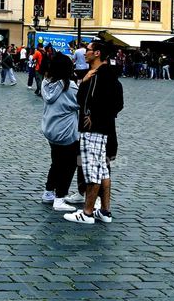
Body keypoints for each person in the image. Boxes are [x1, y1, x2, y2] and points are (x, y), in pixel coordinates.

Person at [64, 39, 123, 225]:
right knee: (103, 171)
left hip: (94, 130)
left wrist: (94, 117)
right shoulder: (109, 75)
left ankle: (87, 212)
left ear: (97, 53)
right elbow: (116, 104)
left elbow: (86, 101)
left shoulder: (98, 75)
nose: (84, 53)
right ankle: (105, 211)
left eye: (88, 50)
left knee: (92, 172)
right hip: (105, 129)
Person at [40, 53, 81, 213]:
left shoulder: (46, 83)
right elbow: (82, 102)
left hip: (50, 130)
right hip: (66, 133)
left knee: (56, 162)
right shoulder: (69, 86)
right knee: (69, 165)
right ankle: (60, 198)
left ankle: (48, 193)